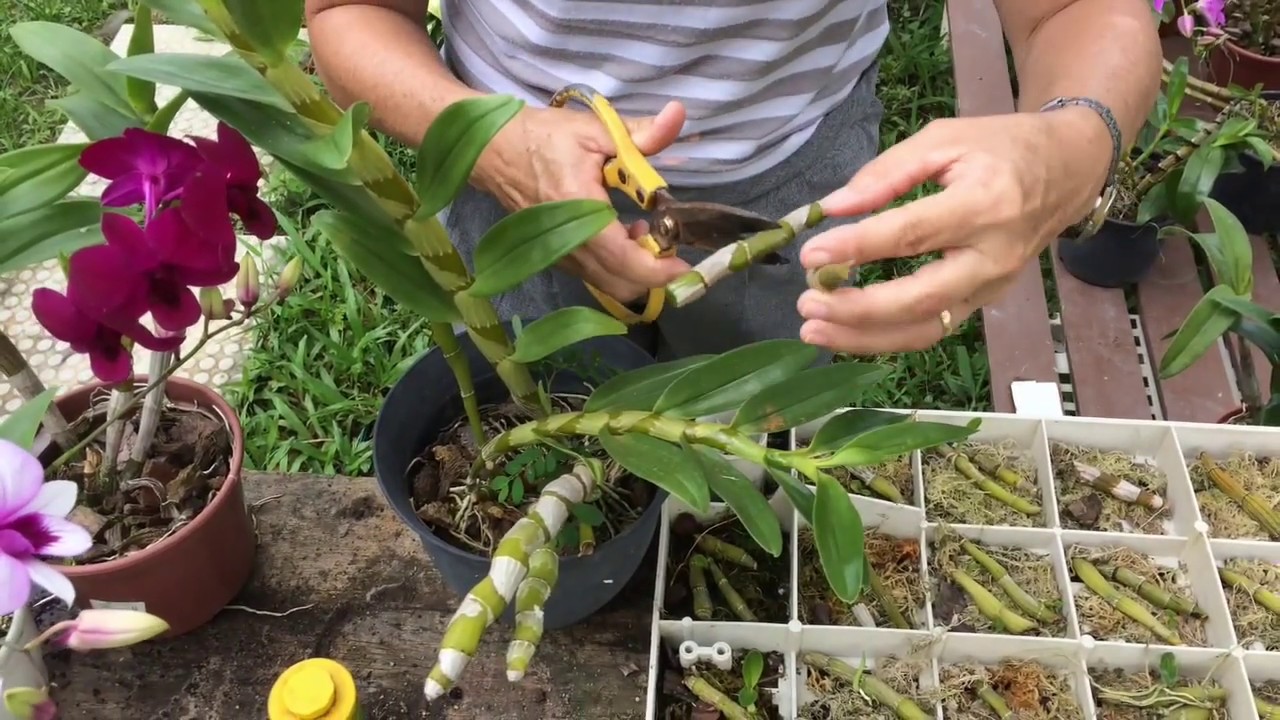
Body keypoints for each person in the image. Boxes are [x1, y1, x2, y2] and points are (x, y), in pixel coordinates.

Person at [303, 0, 1162, 360]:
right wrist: (491, 145)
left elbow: (1077, 13)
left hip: (796, 168)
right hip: (508, 174)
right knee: (543, 417)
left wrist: (1070, 148)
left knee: (758, 440)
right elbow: (351, 13)